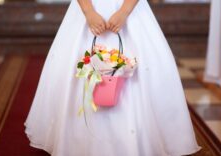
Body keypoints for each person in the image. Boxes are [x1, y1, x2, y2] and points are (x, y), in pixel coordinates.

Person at [24, 0, 201, 155]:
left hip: (130, 9)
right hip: (89, 9)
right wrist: (88, 11)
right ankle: (78, 142)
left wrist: (124, 11)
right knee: (77, 68)